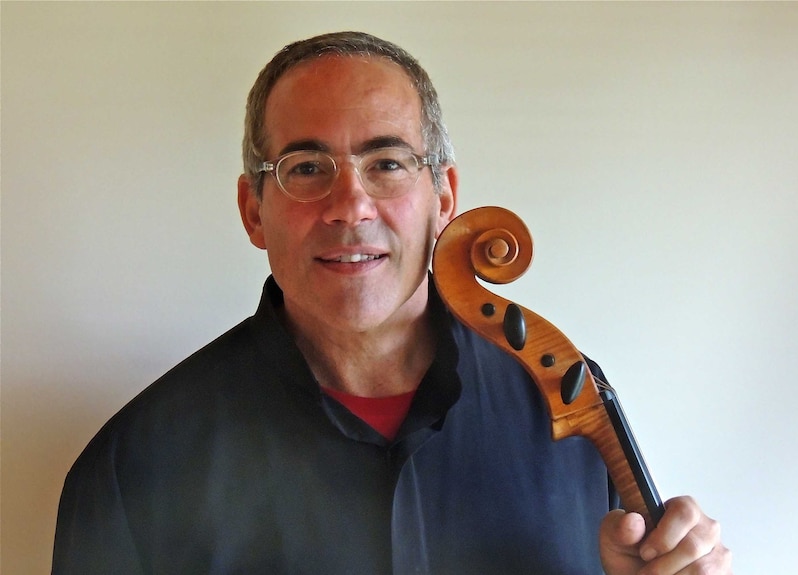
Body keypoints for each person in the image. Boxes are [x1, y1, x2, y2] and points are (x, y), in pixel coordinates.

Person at [52, 31, 732, 574]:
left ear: (443, 198)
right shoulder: (134, 465)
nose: (350, 206)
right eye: (307, 168)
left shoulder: (567, 406)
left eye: (387, 162)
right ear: (252, 209)